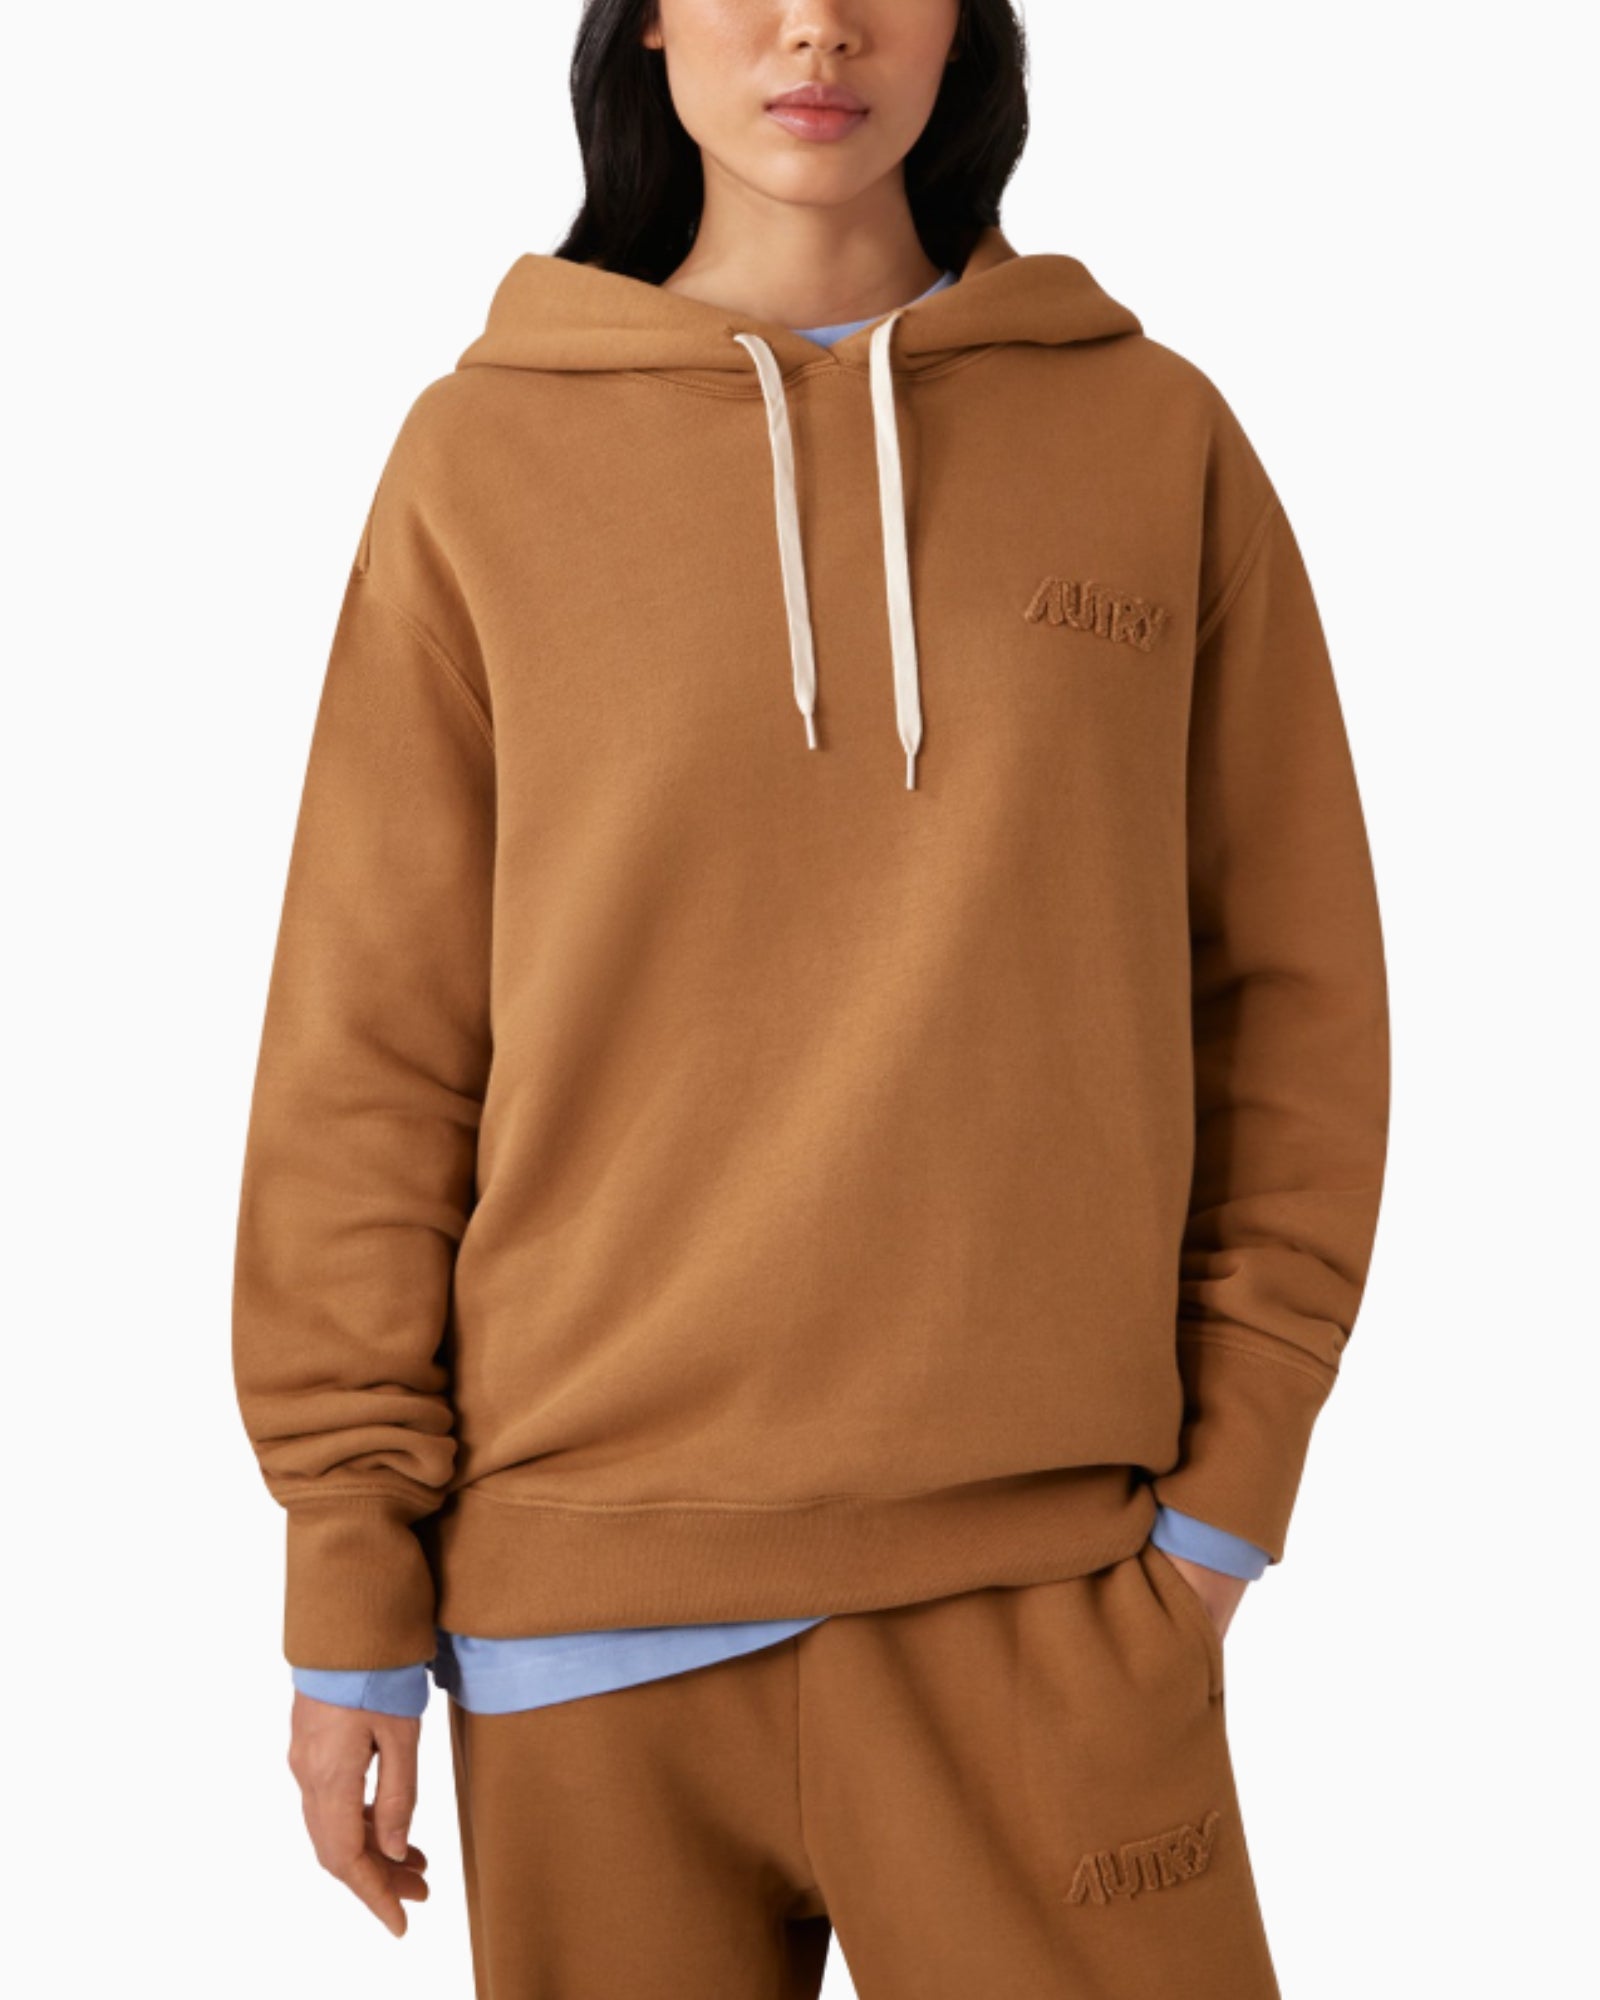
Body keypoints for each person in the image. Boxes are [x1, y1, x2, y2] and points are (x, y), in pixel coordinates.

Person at [231, 2, 1390, 1993]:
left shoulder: (1149, 436)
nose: (815, 26)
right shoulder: (479, 459)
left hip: (1044, 1589)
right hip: (579, 1618)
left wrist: (1225, 1508)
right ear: (645, 23)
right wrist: (347, 1580)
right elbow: (373, 1045)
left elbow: (1291, 997)